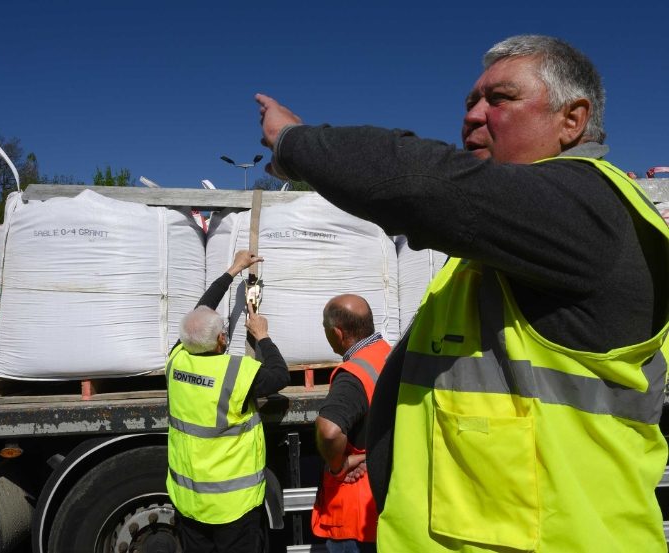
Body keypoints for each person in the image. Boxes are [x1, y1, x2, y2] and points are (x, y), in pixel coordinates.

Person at [255, 35, 669, 552]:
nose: (473, 116)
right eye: (471, 102)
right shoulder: (501, 255)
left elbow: (422, 184)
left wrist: (294, 143)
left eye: (500, 99)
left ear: (572, 120)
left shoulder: (588, 210)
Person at [166, 250, 290, 553]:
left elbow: (200, 312)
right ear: (222, 340)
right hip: (233, 506)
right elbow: (280, 375)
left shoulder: (176, 360)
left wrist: (234, 269)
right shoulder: (236, 374)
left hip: (190, 500)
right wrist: (262, 335)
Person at [312, 294, 390, 553]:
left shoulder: (353, 375)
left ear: (337, 333)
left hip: (354, 515)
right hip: (385, 504)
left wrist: (340, 466)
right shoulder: (389, 356)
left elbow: (329, 431)